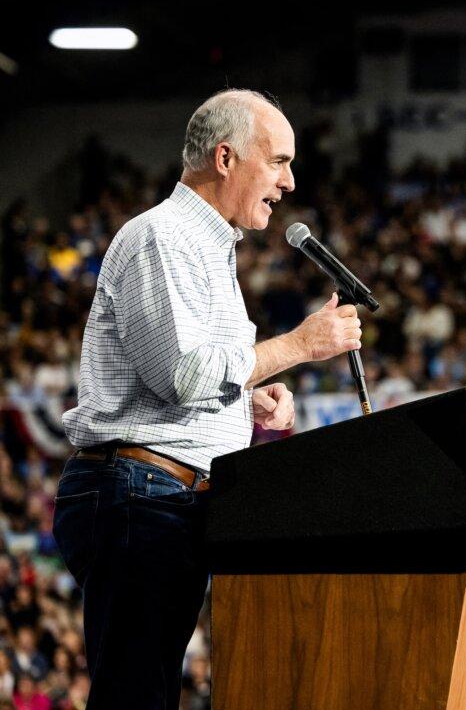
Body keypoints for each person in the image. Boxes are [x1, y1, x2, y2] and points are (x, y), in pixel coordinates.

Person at [53, 89, 363, 709]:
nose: (290, 181)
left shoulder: (208, 250)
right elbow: (187, 375)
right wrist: (299, 345)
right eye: (278, 160)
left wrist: (244, 402)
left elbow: (181, 381)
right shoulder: (161, 239)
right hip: (142, 494)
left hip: (168, 496)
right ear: (226, 158)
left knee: (150, 692)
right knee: (136, 697)